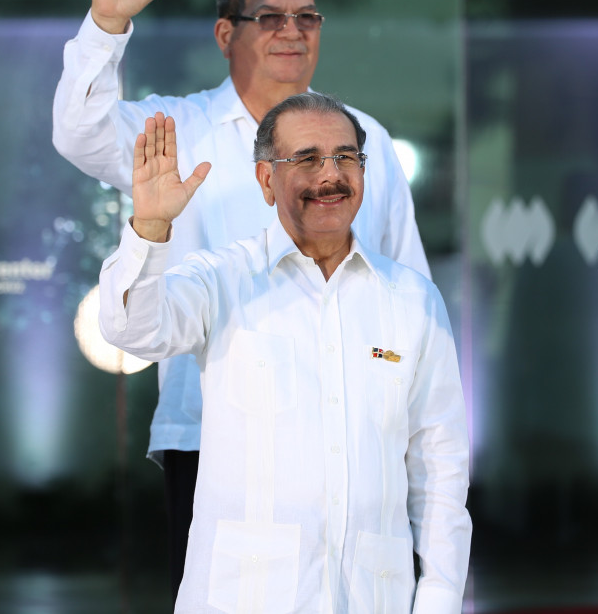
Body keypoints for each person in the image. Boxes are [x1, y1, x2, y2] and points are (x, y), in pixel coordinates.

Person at [51, 0, 429, 594]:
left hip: (350, 430)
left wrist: (414, 427)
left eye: (307, 17)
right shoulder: (177, 129)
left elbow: (408, 288)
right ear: (227, 33)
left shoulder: (363, 139)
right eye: (270, 17)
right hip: (212, 431)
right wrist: (106, 26)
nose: (292, 31)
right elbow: (79, 132)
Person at [98, 93, 469, 612]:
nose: (330, 175)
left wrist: (439, 598)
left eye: (345, 157)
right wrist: (151, 230)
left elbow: (441, 469)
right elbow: (131, 329)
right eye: (307, 159)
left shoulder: (412, 299)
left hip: (373, 596)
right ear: (266, 180)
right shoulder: (223, 280)